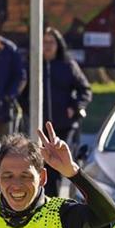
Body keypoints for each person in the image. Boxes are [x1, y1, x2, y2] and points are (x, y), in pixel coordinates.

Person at [37, 28, 92, 198]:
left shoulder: (68, 65)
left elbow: (85, 90)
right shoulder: (34, 65)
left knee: (56, 166)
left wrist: (74, 107)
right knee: (41, 165)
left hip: (62, 126)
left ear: (58, 45)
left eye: (51, 42)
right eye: (44, 42)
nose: (47, 46)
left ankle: (54, 201)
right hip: (38, 124)